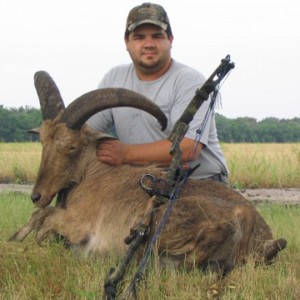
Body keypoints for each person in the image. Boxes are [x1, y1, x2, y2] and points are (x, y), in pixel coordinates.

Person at [87, 2, 229, 183]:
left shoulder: (188, 80)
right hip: (145, 181)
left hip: (199, 181)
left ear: (170, 40)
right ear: (127, 43)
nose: (149, 44)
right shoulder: (114, 77)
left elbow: (187, 148)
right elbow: (85, 131)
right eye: (139, 37)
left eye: (157, 36)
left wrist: (124, 153)